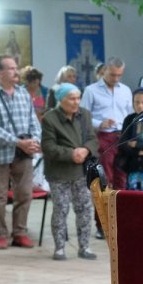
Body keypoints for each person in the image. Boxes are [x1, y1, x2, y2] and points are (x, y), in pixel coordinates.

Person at [0, 54, 42, 249]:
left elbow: (33, 120)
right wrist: (18, 142)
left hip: (23, 153)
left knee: (24, 193)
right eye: (10, 68)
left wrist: (35, 140)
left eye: (16, 68)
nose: (15, 72)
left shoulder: (24, 94)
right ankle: (0, 233)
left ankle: (20, 232)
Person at [40, 83, 99, 260]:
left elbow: (93, 139)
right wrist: (71, 154)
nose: (76, 102)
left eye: (78, 98)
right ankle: (59, 248)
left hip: (81, 171)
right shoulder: (50, 118)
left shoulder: (84, 115)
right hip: (59, 173)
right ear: (61, 99)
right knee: (61, 209)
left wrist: (86, 150)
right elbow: (48, 146)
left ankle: (85, 246)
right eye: (71, 98)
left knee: (85, 209)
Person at [80, 57, 134, 191]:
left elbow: (131, 114)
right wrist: (99, 123)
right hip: (102, 137)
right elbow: (82, 117)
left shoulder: (126, 90)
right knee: (104, 177)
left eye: (119, 75)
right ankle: (103, 210)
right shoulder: (91, 90)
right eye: (112, 74)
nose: (116, 79)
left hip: (122, 137)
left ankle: (120, 209)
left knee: (122, 176)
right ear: (104, 70)